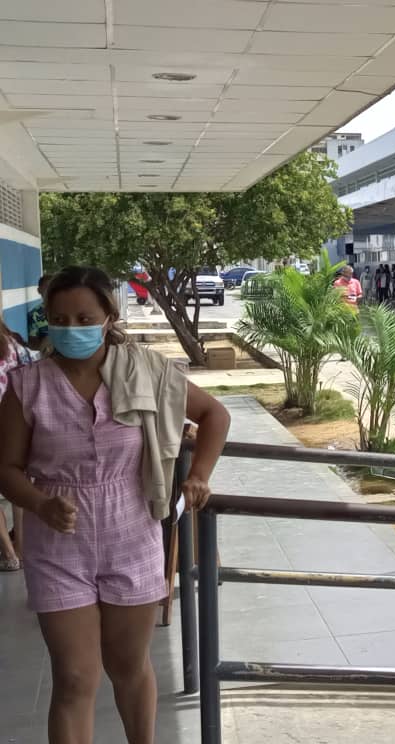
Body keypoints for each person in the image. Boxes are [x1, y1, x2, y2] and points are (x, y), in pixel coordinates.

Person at [0, 266, 231, 744]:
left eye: (84, 317)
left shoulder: (146, 369)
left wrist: (198, 477)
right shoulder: (27, 386)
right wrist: (40, 505)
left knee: (129, 667)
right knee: (76, 678)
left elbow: (214, 415)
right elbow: (5, 469)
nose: (71, 328)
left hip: (133, 533)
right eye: (59, 319)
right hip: (58, 546)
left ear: (109, 315)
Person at [0, 315, 31, 571]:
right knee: (17, 487)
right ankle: (21, 546)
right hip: (17, 425)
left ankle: (9, 554)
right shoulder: (17, 347)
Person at [28, 274, 52, 350]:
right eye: (47, 287)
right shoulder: (34, 314)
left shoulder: (67, 309)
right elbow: (33, 345)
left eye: (54, 288)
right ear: (39, 290)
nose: (50, 291)